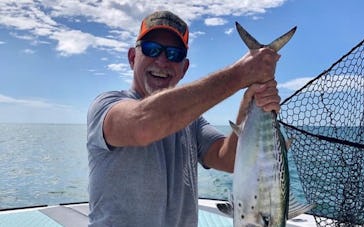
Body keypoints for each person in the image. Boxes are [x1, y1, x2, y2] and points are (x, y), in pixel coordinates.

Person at [87, 10, 281, 227]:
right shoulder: (106, 106)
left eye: (174, 54)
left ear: (185, 68)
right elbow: (143, 125)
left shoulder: (192, 122)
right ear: (132, 58)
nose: (162, 61)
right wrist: (240, 75)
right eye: (152, 50)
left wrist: (250, 105)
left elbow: (228, 159)